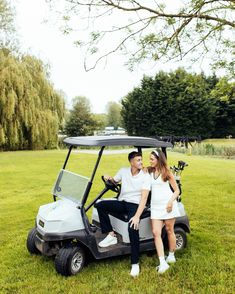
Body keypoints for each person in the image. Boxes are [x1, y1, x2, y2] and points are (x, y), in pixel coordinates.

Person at [96, 151, 149, 278]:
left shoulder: (145, 176)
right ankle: (111, 234)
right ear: (131, 162)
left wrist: (136, 217)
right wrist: (108, 177)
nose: (141, 162)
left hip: (136, 206)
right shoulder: (123, 171)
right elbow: (114, 181)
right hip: (123, 202)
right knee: (100, 205)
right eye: (138, 160)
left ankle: (135, 263)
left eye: (141, 160)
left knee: (132, 228)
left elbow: (144, 199)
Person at [138, 149, 180, 273]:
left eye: (152, 159)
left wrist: (170, 202)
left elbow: (177, 190)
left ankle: (171, 255)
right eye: (149, 159)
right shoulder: (150, 172)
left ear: (158, 159)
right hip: (155, 207)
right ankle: (162, 262)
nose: (150, 161)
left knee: (169, 230)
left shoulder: (167, 172)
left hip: (168, 206)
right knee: (156, 232)